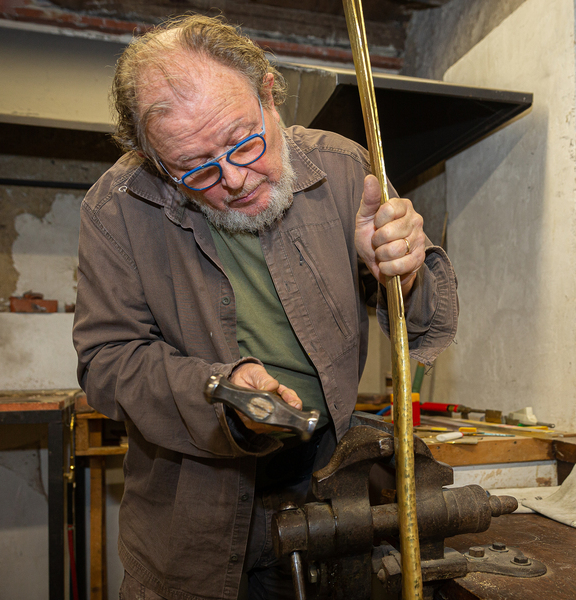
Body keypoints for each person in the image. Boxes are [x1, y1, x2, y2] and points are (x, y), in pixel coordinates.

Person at [72, 13, 458, 600]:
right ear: (156, 163)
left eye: (243, 142)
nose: (231, 179)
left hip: (331, 487)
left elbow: (428, 324)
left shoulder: (344, 169)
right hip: (191, 509)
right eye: (194, 169)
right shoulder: (117, 209)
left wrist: (398, 273)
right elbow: (107, 362)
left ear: (270, 93)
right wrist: (221, 393)